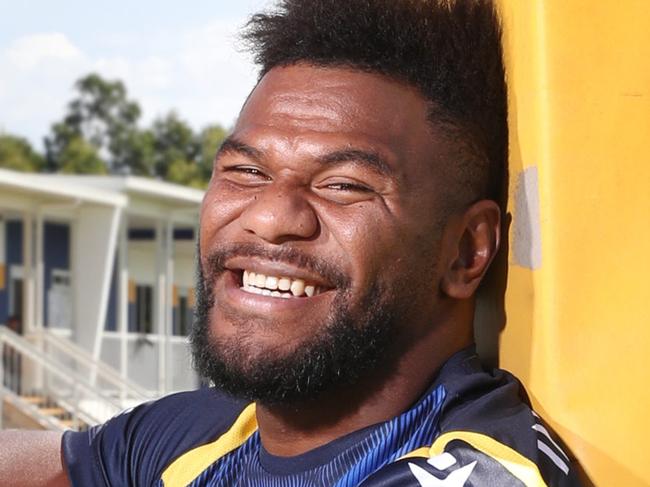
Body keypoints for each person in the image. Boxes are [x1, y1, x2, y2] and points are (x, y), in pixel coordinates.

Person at [0, 0, 583, 485]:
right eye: (245, 172)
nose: (271, 217)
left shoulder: (479, 471)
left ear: (465, 252)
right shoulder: (208, 437)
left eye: (344, 185)